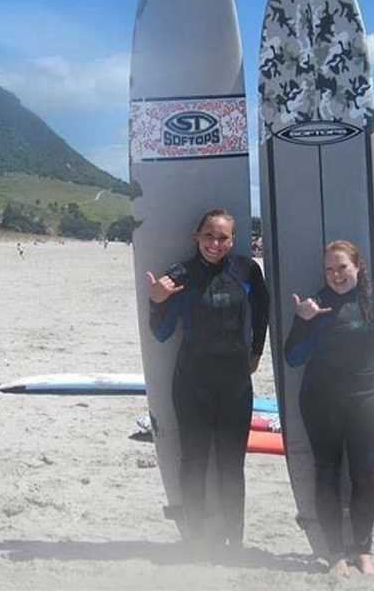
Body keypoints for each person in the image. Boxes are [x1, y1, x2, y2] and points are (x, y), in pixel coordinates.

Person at [146, 208, 269, 556]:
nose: (215, 243)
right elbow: (162, 332)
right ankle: (195, 539)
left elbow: (263, 310)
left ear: (233, 240)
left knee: (232, 464)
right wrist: (157, 302)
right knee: (194, 462)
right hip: (191, 383)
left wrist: (257, 351)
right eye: (209, 236)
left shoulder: (247, 271)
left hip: (235, 384)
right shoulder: (179, 275)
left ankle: (234, 540)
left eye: (223, 237)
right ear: (196, 237)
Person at [284, 240, 374, 578]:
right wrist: (303, 321)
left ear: (358, 267)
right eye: (329, 269)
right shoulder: (316, 304)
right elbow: (292, 356)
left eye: (342, 267)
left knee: (365, 476)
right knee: (326, 472)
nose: (336, 275)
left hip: (364, 399)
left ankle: (363, 552)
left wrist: (362, 343)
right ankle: (336, 554)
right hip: (321, 400)